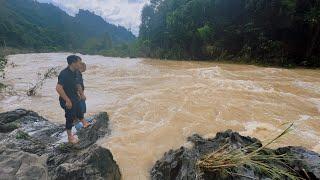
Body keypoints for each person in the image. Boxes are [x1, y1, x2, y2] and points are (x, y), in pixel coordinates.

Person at [56, 55, 82, 144]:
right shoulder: (64, 74)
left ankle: (74, 130)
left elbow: (76, 84)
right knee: (69, 116)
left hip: (74, 98)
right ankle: (70, 137)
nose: (80, 64)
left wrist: (80, 94)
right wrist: (67, 100)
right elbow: (58, 88)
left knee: (77, 113)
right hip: (66, 100)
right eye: (79, 63)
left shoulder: (75, 72)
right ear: (73, 63)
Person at [75, 62, 90, 128]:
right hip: (78, 94)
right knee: (80, 108)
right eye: (85, 67)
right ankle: (77, 123)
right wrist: (81, 94)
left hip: (78, 93)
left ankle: (81, 121)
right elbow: (77, 84)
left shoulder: (78, 73)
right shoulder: (77, 73)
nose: (85, 69)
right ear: (82, 67)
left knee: (81, 108)